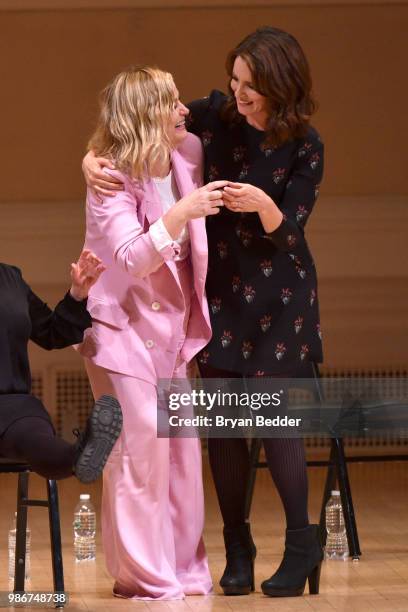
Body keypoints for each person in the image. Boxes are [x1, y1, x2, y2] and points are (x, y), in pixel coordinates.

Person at [82, 27, 324, 598]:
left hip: (280, 300)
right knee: (220, 432)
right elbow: (134, 120)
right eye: (234, 80)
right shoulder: (213, 122)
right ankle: (236, 549)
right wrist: (90, 156)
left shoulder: (305, 144)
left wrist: (264, 204)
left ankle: (300, 543)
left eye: (251, 85)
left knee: (274, 422)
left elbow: (291, 236)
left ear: (280, 86)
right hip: (218, 298)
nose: (237, 94)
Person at [77, 66, 227, 601]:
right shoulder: (111, 179)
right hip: (119, 332)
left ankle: (184, 569)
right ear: (147, 114)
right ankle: (143, 575)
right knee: (139, 453)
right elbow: (131, 258)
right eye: (171, 103)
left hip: (168, 333)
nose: (184, 109)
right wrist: (183, 213)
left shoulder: (186, 155)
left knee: (183, 453)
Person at [0, 249, 122, 484]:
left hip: (14, 407)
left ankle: (79, 457)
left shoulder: (10, 279)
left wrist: (77, 294)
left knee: (36, 438)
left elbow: (51, 333)